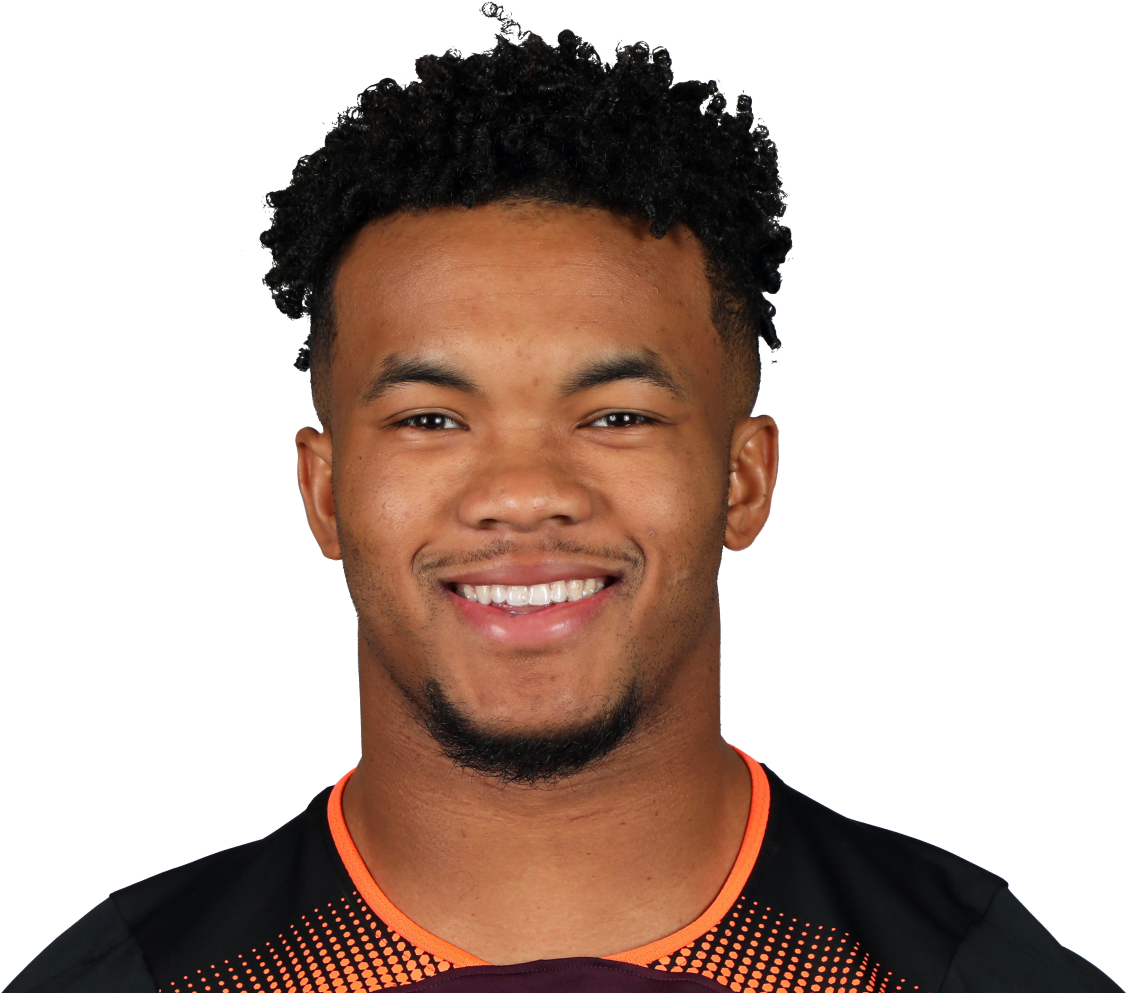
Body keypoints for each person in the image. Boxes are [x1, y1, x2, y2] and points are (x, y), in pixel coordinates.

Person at [9, 6, 1121, 992]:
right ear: (325, 490)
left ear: (744, 479)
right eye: (430, 420)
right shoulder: (142, 976)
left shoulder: (958, 971)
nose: (524, 495)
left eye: (616, 416)